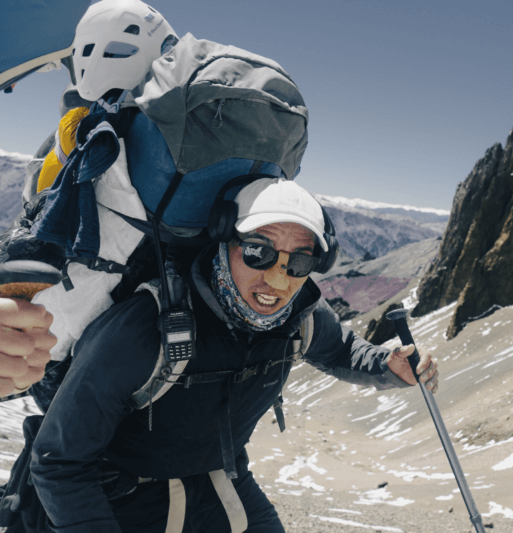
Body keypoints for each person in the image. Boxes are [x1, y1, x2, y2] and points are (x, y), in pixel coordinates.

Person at [29, 178, 439, 532]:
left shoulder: (300, 316)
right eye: (259, 253)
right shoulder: (144, 328)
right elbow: (59, 462)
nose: (278, 280)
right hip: (125, 498)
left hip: (223, 483)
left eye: (299, 262)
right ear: (224, 242)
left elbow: (341, 350)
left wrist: (386, 366)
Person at [0, 0, 178, 402]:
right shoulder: (166, 139)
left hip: (60, 338)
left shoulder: (78, 130)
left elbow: (37, 208)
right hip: (137, 332)